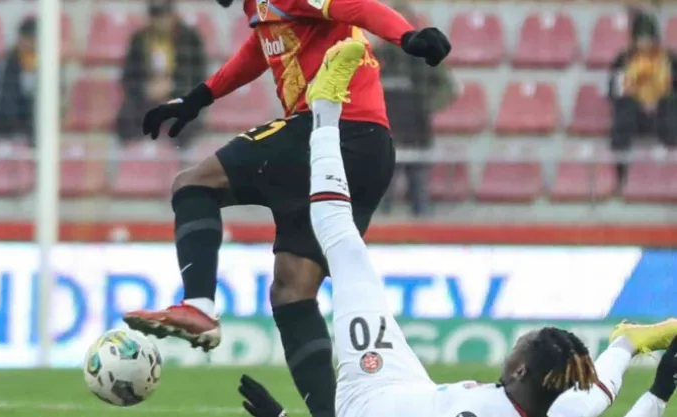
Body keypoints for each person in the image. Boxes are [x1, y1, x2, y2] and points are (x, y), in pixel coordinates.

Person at [235, 40, 677, 417]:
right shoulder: (562, 406)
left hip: (367, 399)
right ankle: (325, 108)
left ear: (521, 369)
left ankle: (325, 110)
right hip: (408, 381)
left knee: (344, 246)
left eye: (520, 346)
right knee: (345, 247)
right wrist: (641, 368)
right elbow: (598, 394)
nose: (514, 349)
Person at [123, 0, 450, 416]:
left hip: (336, 130)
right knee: (291, 290)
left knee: (194, 184)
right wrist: (198, 97)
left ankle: (199, 305)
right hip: (367, 150)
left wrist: (407, 36)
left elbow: (357, 6)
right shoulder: (264, 8)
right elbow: (262, 49)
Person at [373, 1, 456, 216]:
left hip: (417, 130)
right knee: (381, 190)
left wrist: (426, 106)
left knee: (419, 188)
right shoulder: (376, 54)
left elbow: (447, 87)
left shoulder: (425, 54)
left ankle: (422, 224)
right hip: (385, 130)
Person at [115, 0, 206, 143]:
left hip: (179, 99)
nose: (160, 21)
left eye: (164, 15)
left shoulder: (190, 39)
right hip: (145, 102)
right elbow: (128, 77)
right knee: (126, 120)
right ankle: (139, 153)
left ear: (172, 15)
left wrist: (172, 87)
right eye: (155, 15)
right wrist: (146, 89)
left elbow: (198, 77)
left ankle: (180, 155)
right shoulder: (139, 39)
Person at [609, 11, 677, 181]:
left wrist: (659, 99)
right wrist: (638, 101)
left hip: (663, 111)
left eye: (648, 38)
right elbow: (615, 91)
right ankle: (621, 172)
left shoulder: (669, 59)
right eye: (641, 38)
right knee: (623, 109)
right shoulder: (623, 60)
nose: (644, 43)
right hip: (635, 112)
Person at [0, 18, 37, 139]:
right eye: (26, 38)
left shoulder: (47, 58)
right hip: (17, 108)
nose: (30, 43)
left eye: (33, 38)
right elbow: (8, 89)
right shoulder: (13, 58)